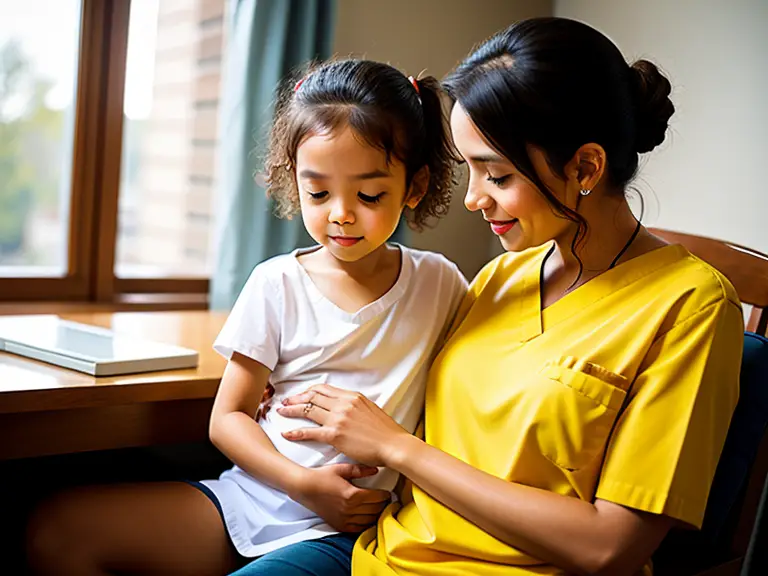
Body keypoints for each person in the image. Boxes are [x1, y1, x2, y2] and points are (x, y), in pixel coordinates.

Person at [249, 17, 744, 576]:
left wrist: (396, 449)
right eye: (471, 171)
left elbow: (612, 548)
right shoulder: (497, 278)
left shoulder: (691, 306)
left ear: (585, 166)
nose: (473, 200)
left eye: (498, 176)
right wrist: (289, 376)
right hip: (379, 552)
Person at [26, 58, 467, 576]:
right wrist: (304, 484)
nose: (341, 213)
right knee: (56, 531)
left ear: (413, 188)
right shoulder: (276, 281)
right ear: (293, 180)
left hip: (349, 526)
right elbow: (228, 417)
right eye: (318, 193)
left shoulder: (440, 283)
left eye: (369, 195)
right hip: (259, 496)